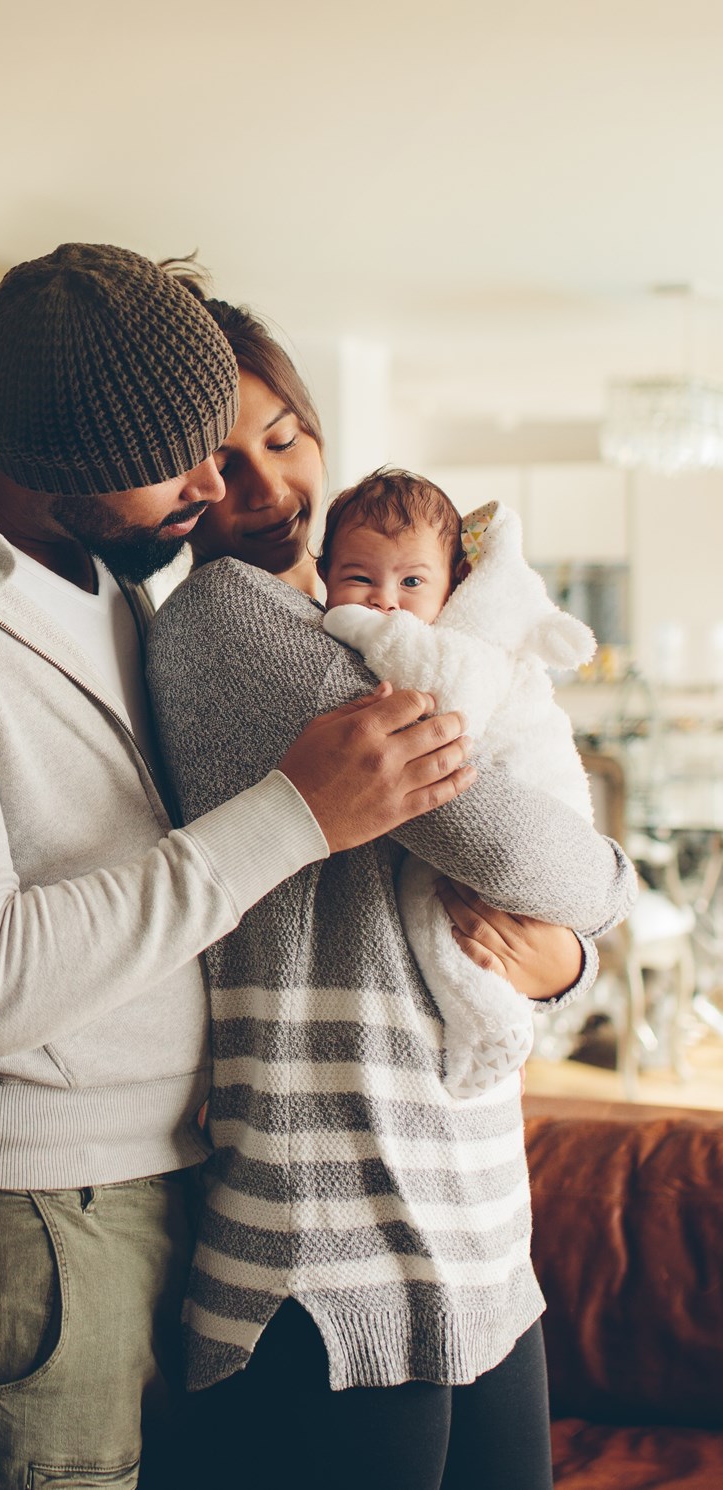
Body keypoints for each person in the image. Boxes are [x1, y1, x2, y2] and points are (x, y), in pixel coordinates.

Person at [0, 243, 481, 1490]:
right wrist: (295, 812)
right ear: (61, 467)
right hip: (3, 1215)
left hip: (158, 1182)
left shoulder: (98, 567)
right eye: (185, 458)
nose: (221, 482)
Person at [145, 291, 635, 1490]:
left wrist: (565, 959)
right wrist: (603, 901)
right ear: (166, 472)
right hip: (325, 1242)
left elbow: (517, 888)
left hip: (469, 1217)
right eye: (219, 450)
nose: (262, 481)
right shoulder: (229, 628)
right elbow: (515, 849)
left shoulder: (351, 623)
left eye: (284, 434)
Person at [320, 467, 599, 1098]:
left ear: (451, 588)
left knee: (438, 908)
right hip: (516, 826)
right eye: (359, 579)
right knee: (455, 919)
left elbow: (445, 712)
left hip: (535, 805)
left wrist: (359, 626)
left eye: (412, 582)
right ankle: (496, 1021)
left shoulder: (460, 647)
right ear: (325, 577)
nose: (385, 600)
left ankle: (495, 1022)